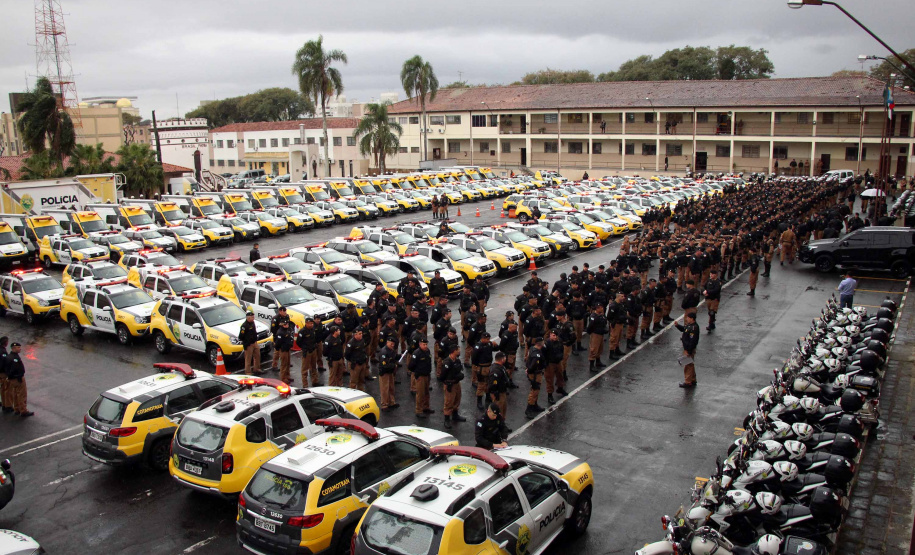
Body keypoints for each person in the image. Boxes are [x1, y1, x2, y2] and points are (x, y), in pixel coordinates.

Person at [441, 346, 466, 429]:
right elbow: (442, 375)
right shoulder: (447, 362)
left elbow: (459, 370)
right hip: (450, 384)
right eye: (457, 350)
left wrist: (459, 376)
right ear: (453, 351)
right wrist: (447, 382)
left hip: (456, 383)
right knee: (449, 402)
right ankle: (447, 419)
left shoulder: (457, 360)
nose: (459, 351)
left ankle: (455, 415)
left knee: (457, 399)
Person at [409, 337, 433, 418]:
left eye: (426, 344)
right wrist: (417, 373)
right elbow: (411, 366)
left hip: (427, 375)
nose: (425, 346)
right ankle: (419, 410)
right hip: (420, 376)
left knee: (426, 392)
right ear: (420, 344)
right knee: (420, 394)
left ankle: (426, 407)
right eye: (424, 344)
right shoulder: (417, 353)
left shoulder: (427, 351)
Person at [674, 313, 700, 388]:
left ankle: (688, 382)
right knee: (690, 364)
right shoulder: (690, 326)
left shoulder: (694, 328)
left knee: (688, 365)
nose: (687, 319)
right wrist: (677, 326)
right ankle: (693, 379)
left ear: (692, 318)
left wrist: (689, 350)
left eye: (688, 318)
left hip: (689, 348)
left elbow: (693, 341)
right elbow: (684, 329)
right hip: (687, 348)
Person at [6, 342, 32, 417]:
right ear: (14, 348)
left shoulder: (9, 356)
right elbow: (16, 368)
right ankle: (23, 410)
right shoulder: (14, 358)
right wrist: (19, 376)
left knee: (15, 393)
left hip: (12, 379)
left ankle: (16, 408)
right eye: (18, 347)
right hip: (17, 378)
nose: (20, 349)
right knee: (21, 394)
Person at [524, 337, 547, 418]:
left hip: (535, 373)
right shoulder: (536, 355)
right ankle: (529, 408)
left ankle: (534, 404)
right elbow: (533, 365)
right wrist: (529, 370)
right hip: (535, 374)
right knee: (534, 390)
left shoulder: (532, 349)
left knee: (536, 390)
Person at [295, 318, 321, 387]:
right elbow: (298, 342)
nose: (311, 325)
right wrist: (304, 348)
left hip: (313, 350)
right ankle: (305, 385)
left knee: (313, 367)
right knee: (304, 369)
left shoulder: (312, 329)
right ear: (306, 323)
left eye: (312, 323)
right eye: (310, 323)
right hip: (307, 352)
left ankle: (315, 381)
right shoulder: (302, 331)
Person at [378, 337, 399, 411]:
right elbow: (385, 365)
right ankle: (384, 404)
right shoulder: (384, 352)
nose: (392, 345)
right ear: (387, 342)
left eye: (393, 344)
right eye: (391, 343)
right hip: (385, 372)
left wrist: (397, 357)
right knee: (384, 389)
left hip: (390, 372)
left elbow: (393, 358)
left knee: (391, 387)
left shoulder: (391, 350)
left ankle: (391, 402)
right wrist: (394, 365)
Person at [487, 352, 510, 419]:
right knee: (498, 411)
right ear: (502, 359)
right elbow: (492, 384)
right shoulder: (496, 370)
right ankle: (497, 425)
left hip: (503, 392)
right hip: (499, 394)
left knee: (503, 409)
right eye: (504, 357)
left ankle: (502, 424)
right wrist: (494, 393)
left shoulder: (501, 367)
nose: (506, 358)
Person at [240, 311, 263, 375]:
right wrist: (247, 342)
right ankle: (248, 372)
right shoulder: (244, 326)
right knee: (248, 359)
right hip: (248, 344)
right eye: (252, 317)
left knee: (257, 356)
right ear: (248, 318)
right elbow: (241, 336)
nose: (253, 318)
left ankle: (257, 369)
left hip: (254, 343)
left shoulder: (253, 323)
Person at [0, 337, 9, 413]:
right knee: (5, 389)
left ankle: (3, 403)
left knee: (2, 388)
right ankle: (6, 405)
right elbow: (3, 363)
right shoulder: (3, 352)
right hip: (2, 373)